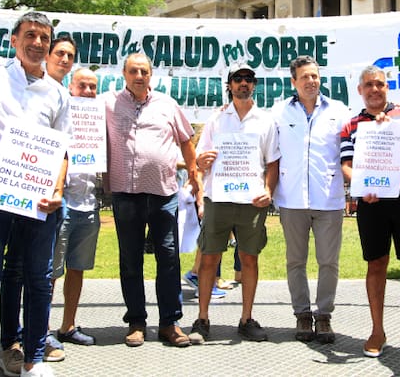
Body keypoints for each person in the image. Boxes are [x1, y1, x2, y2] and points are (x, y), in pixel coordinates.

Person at [0, 11, 71, 377]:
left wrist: (58, 189)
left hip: (38, 199)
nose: (38, 43)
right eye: (30, 35)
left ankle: (33, 359)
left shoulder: (58, 93)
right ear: (14, 40)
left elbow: (63, 150)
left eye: (44, 37)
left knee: (38, 280)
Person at [340, 65, 400, 360]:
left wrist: (392, 129)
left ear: (387, 88)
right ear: (360, 90)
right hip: (372, 203)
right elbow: (346, 164)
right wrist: (359, 184)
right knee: (376, 264)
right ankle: (377, 330)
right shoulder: (351, 124)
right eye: (369, 85)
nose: (374, 89)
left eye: (380, 84)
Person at [103, 52, 198, 348]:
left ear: (151, 75)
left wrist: (195, 176)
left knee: (168, 259)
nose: (139, 76)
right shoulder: (107, 104)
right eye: (134, 71)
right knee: (130, 261)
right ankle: (136, 322)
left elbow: (185, 140)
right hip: (124, 194)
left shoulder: (167, 104)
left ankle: (170, 323)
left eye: (144, 71)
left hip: (163, 193)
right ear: (124, 73)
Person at [0, 34, 79, 366]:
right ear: (46, 54)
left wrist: (58, 190)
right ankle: (11, 341)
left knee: (41, 272)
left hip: (51, 198)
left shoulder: (65, 96)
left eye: (70, 56)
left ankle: (37, 337)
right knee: (14, 269)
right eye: (59, 52)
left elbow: (64, 150)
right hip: (16, 189)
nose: (64, 59)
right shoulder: (16, 83)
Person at [188, 62, 280, 343]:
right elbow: (200, 159)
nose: (243, 83)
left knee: (249, 259)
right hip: (219, 199)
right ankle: (202, 319)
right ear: (228, 85)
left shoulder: (265, 121)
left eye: (248, 79)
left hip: (251, 201)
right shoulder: (216, 120)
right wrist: (201, 162)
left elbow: (273, 162)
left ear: (254, 85)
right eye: (237, 79)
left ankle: (246, 319)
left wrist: (268, 190)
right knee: (208, 259)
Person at [270, 55, 350, 344]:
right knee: (295, 261)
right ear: (294, 82)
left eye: (315, 76)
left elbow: (352, 149)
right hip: (291, 200)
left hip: (328, 199)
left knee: (329, 262)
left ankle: (324, 315)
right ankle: (302, 314)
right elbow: (268, 153)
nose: (311, 81)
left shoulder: (339, 111)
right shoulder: (279, 112)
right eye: (304, 77)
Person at [51, 68, 100, 346]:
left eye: (93, 87)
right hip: (62, 203)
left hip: (89, 203)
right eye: (83, 86)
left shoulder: (97, 119)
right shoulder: (60, 114)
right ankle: (40, 330)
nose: (88, 92)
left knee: (77, 269)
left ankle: (67, 326)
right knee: (50, 272)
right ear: (71, 87)